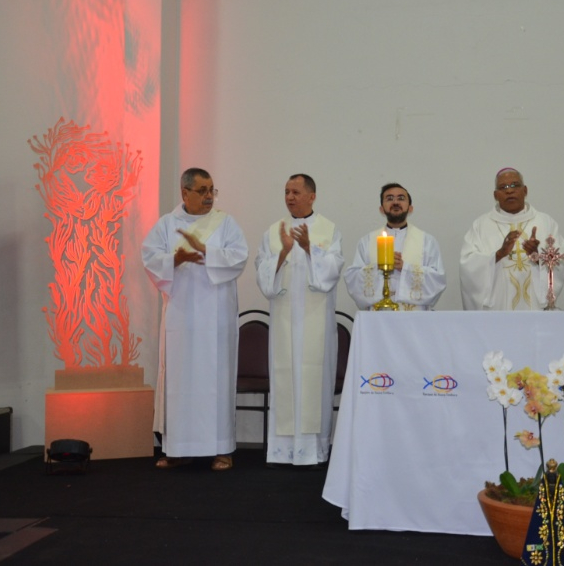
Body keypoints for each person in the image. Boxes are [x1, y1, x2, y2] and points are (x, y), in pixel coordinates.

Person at [141, 168, 248, 471]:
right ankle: (178, 448)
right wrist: (176, 259)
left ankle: (222, 449)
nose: (209, 196)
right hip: (182, 316)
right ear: (185, 193)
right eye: (202, 190)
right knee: (180, 379)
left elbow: (239, 257)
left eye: (212, 189)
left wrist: (205, 251)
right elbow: (150, 258)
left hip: (216, 317)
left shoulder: (225, 223)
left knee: (217, 379)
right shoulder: (166, 225)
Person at [255, 174, 344, 466]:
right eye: (286, 192)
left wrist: (309, 248)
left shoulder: (329, 229)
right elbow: (264, 274)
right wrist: (282, 253)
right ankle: (282, 451)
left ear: (312, 196)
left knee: (314, 379)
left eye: (295, 192)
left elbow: (331, 271)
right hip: (284, 319)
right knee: (285, 375)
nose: (290, 197)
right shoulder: (274, 231)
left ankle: (314, 450)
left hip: (315, 319)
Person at [460, 168, 564, 310]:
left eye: (514, 185)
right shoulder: (481, 226)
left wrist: (539, 258)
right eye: (503, 187)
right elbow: (468, 266)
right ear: (495, 195)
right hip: (498, 310)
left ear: (525, 190)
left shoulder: (545, 223)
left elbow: (562, 260)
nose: (509, 191)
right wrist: (499, 254)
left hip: (536, 309)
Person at [344, 183, 446, 311]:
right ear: (381, 209)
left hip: (413, 318)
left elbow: (437, 281)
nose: (395, 202)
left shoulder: (427, 241)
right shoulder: (367, 241)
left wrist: (405, 268)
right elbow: (353, 279)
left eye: (401, 198)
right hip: (379, 315)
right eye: (389, 198)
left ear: (410, 208)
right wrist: (381, 266)